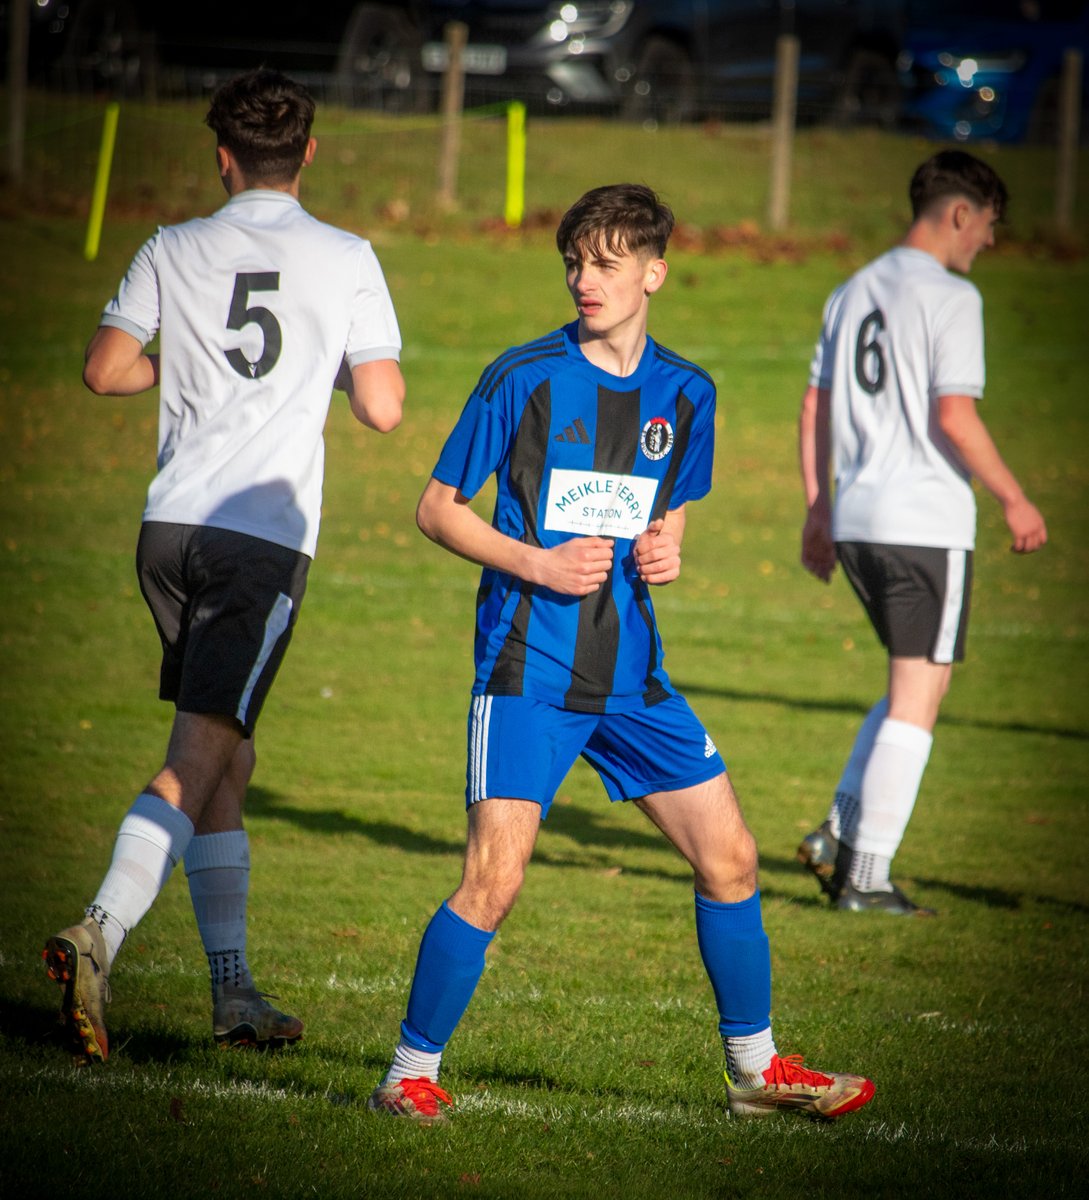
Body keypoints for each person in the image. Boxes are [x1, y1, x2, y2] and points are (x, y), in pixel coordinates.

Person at [366, 183, 874, 1124]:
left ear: (653, 273)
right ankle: (405, 1075)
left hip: (634, 680)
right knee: (495, 876)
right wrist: (534, 561)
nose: (584, 280)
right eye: (573, 263)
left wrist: (670, 544)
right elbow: (436, 509)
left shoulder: (687, 392)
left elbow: (668, 503)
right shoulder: (520, 376)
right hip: (530, 670)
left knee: (730, 858)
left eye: (604, 263)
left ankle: (756, 1074)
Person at [43, 68, 404, 1063]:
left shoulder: (172, 245)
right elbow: (382, 406)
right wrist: (315, 363)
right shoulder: (347, 256)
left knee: (228, 752)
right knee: (200, 751)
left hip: (167, 533)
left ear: (222, 156)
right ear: (311, 155)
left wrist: (191, 364)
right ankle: (99, 931)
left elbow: (106, 368)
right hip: (259, 541)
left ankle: (233, 989)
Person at [796, 149, 1047, 917]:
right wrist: (1014, 498)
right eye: (990, 226)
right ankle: (864, 877)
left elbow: (814, 408)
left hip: (862, 516)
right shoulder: (949, 297)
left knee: (918, 681)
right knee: (918, 694)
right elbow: (953, 415)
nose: (990, 244)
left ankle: (837, 835)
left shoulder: (852, 288)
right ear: (959, 213)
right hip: (924, 520)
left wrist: (817, 507)